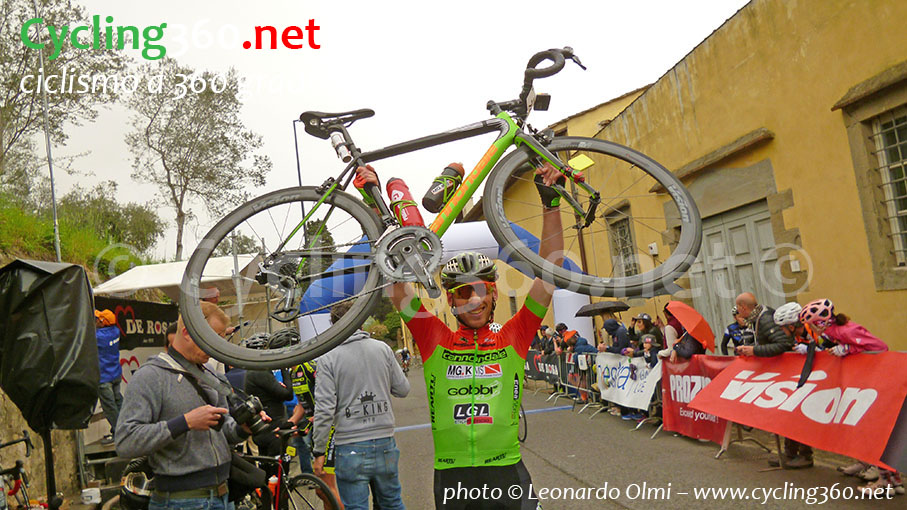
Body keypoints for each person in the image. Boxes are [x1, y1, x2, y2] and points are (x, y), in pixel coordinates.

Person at [378, 161, 565, 509]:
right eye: (463, 293)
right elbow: (397, 287)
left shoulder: (514, 336)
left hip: (507, 472)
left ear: (494, 295)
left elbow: (549, 276)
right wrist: (376, 206)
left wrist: (550, 204)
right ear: (450, 300)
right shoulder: (434, 338)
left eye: (481, 290)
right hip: (453, 478)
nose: (474, 300)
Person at [116, 301, 264, 510]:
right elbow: (126, 441)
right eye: (211, 340)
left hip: (223, 495)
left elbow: (222, 431)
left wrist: (242, 429)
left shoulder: (211, 375)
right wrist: (185, 422)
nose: (216, 348)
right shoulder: (150, 377)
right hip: (180, 501)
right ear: (187, 332)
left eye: (219, 340)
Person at [312, 300, 410, 510]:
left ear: (335, 326)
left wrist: (319, 450)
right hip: (385, 441)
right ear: (361, 322)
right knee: (392, 503)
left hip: (350, 445)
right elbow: (403, 389)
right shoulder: (383, 349)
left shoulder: (328, 358)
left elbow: (324, 409)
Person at [797, 299, 901, 494]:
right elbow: (828, 346)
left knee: (876, 432)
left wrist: (847, 349)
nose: (810, 329)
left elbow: (880, 346)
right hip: (862, 383)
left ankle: (885, 482)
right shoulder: (831, 331)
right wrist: (811, 349)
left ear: (820, 322)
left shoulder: (846, 330)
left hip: (874, 383)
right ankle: (893, 481)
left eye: (811, 324)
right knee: (870, 431)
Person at [766, 302, 814, 469]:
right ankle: (790, 452)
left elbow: (826, 348)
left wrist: (811, 349)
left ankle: (806, 455)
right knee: (790, 411)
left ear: (792, 326)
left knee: (803, 416)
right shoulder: (796, 336)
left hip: (816, 378)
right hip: (801, 377)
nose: (781, 331)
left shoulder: (813, 331)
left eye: (783, 328)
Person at [733, 293, 792, 357]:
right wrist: (746, 348)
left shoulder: (766, 319)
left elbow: (783, 344)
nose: (737, 310)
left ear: (743, 307)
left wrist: (754, 350)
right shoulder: (756, 317)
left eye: (737, 307)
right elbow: (765, 342)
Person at [95, 309, 123, 446]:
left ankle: (119, 433)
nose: (95, 321)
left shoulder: (98, 336)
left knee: (109, 406)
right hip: (116, 373)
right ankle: (124, 428)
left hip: (104, 377)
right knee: (118, 401)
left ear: (103, 323)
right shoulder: (116, 331)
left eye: (97, 320)